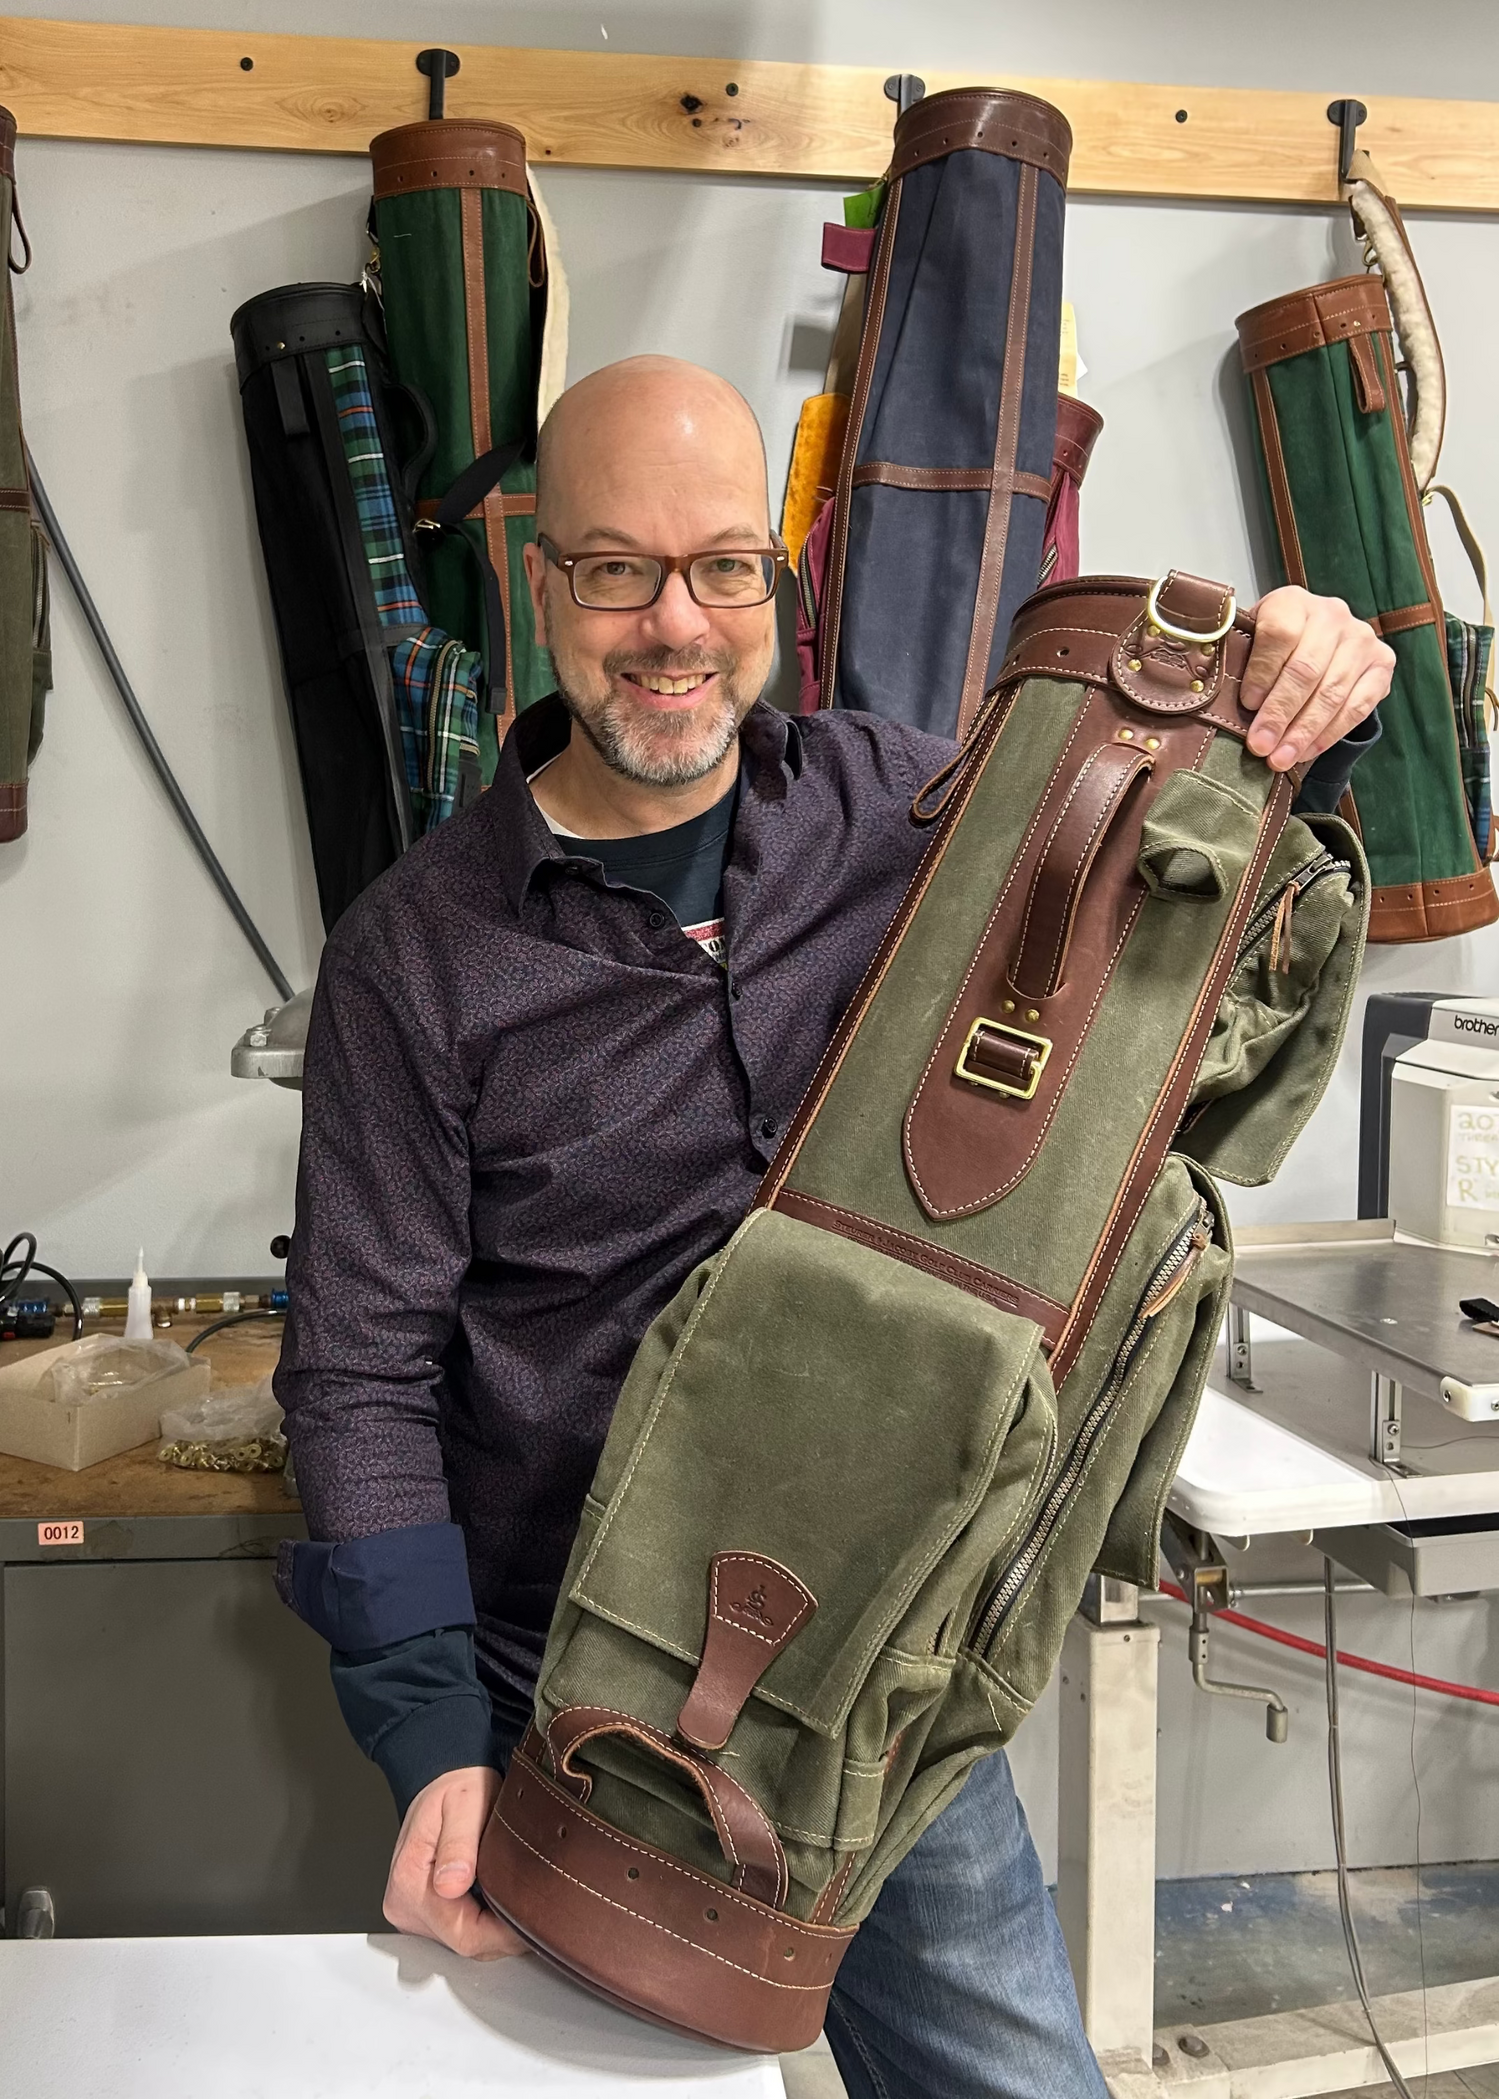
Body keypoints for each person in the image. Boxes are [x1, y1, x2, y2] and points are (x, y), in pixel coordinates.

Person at [274, 356, 1391, 2098]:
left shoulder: (898, 809)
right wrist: (429, 1736)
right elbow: (356, 1369)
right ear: (540, 583)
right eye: (618, 568)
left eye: (722, 565)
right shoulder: (416, 959)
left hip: (881, 1652)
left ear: (773, 592)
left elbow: (1191, 854)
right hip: (579, 1703)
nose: (673, 625)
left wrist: (1310, 683)